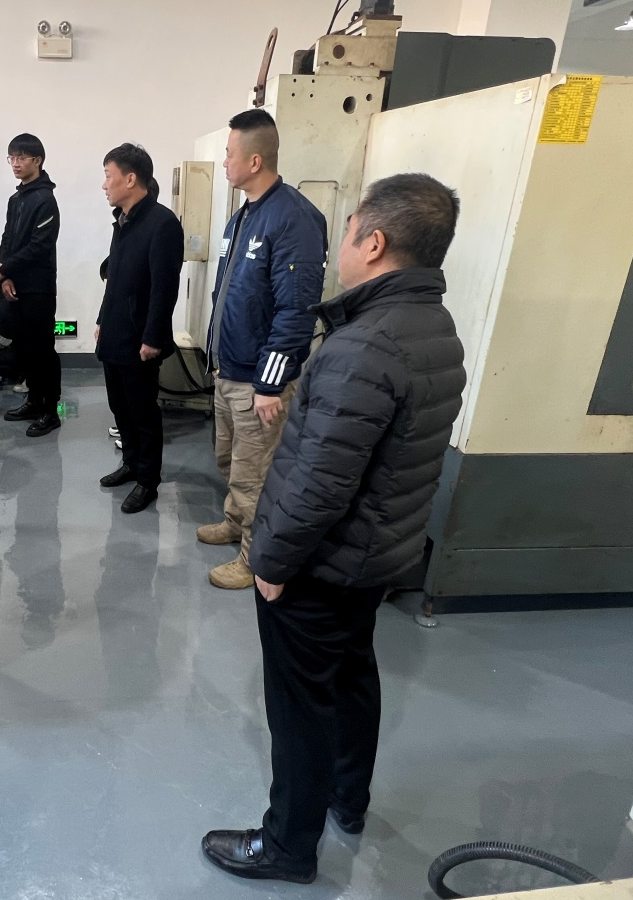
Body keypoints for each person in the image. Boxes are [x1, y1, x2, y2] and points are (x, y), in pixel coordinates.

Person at [202, 173, 467, 885]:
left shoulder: (364, 347)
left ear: (372, 243)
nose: (340, 246)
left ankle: (287, 845)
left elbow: (319, 483)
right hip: (375, 556)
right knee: (351, 674)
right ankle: (347, 799)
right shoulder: (432, 326)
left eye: (348, 230)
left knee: (299, 705)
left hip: (323, 565)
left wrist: (270, 562)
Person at [199, 109, 328, 591]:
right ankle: (235, 524)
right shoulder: (245, 215)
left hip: (258, 380)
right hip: (228, 370)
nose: (224, 162)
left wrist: (270, 384)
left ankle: (256, 558)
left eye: (229, 154)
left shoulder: (293, 219)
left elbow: (296, 311)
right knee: (230, 463)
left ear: (255, 161)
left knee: (256, 475)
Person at [95, 144, 183, 514]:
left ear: (130, 179)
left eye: (108, 176)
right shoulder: (123, 220)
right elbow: (114, 279)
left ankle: (148, 480)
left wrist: (153, 338)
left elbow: (165, 288)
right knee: (119, 406)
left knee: (143, 412)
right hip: (115, 332)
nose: (104, 185)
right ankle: (130, 462)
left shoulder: (162, 224)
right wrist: (101, 320)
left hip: (139, 339)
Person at [0, 133, 62, 437]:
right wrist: (4, 276)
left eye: (22, 157)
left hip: (38, 288)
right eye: (12, 157)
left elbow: (39, 246)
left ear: (38, 160)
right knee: (24, 349)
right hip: (15, 286)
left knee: (43, 350)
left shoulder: (45, 199)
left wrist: (5, 269)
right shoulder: (16, 199)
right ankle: (34, 401)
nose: (16, 163)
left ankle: (50, 410)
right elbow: (7, 239)